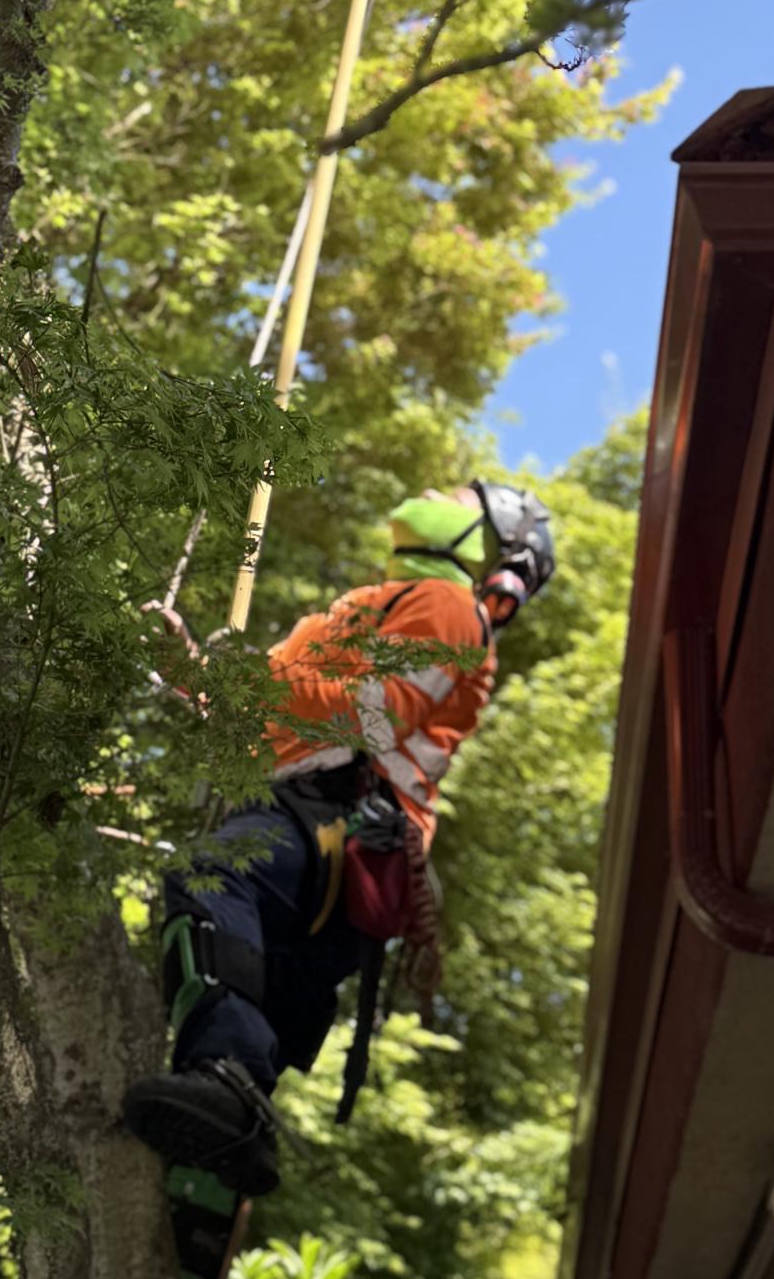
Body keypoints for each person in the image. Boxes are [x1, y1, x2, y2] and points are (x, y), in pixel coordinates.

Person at [122, 479, 555, 1198]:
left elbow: (371, 718)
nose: (434, 489)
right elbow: (267, 715)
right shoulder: (361, 611)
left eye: (456, 492)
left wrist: (241, 683)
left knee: (210, 881)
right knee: (236, 969)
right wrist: (191, 672)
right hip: (313, 828)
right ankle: (230, 1118)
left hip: (344, 828)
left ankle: (227, 1081)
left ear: (483, 544)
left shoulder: (450, 608)